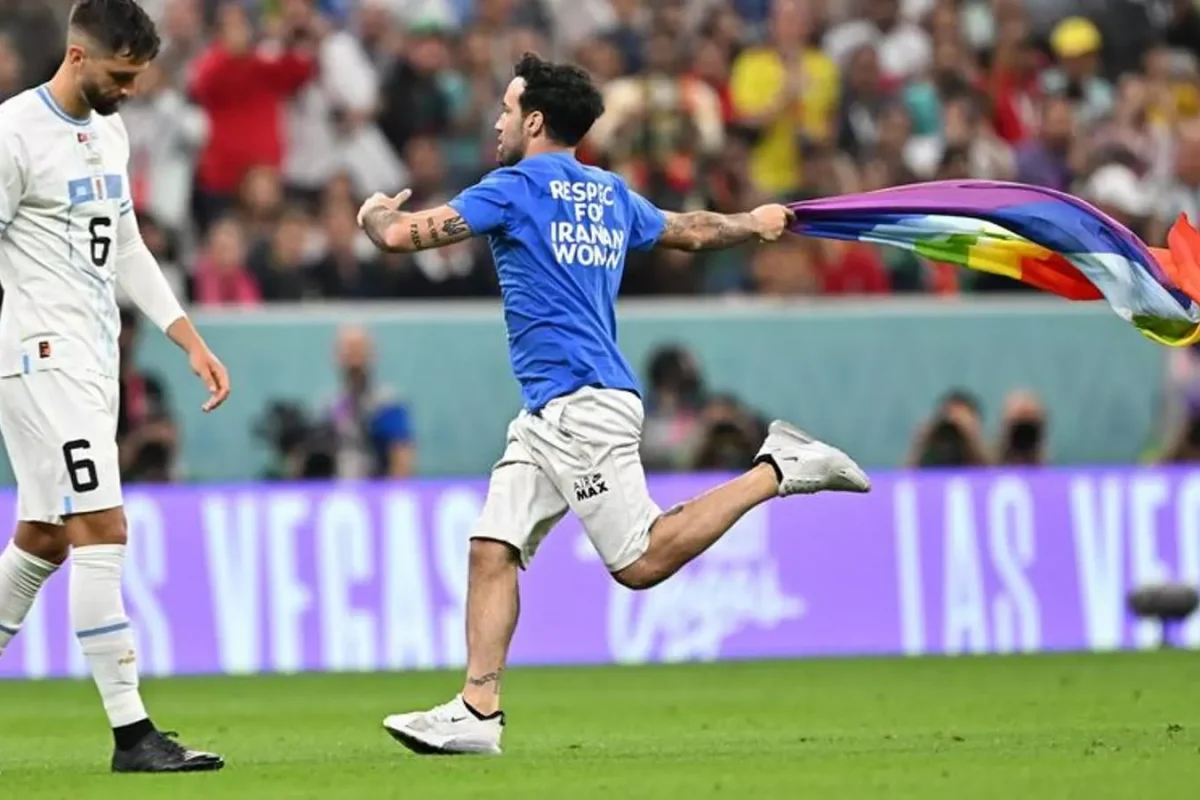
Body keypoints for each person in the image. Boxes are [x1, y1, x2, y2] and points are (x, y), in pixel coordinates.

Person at [358, 52, 871, 757]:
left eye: (508, 110)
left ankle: (777, 469)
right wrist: (755, 222)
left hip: (581, 405)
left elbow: (395, 238)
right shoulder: (608, 193)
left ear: (535, 120)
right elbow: (691, 230)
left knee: (640, 561)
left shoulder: (508, 189)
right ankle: (478, 710)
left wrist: (373, 212)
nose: (499, 121)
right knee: (491, 547)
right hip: (548, 412)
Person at [0, 0, 228, 774]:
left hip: (94, 361)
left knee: (45, 538)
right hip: (41, 358)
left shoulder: (109, 130)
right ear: (76, 56)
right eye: (121, 74)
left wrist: (185, 335)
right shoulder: (12, 135)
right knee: (103, 528)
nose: (130, 89)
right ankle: (133, 736)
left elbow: (126, 246)